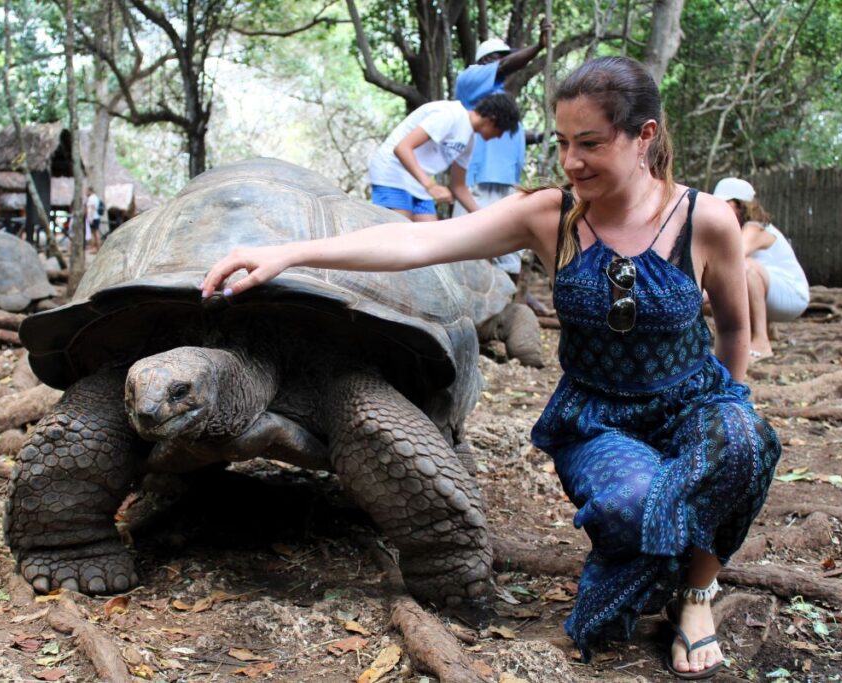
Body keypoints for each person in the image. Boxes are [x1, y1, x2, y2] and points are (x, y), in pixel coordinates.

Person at [202, 56, 780, 679]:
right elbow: (417, 243)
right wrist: (290, 252)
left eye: (589, 143)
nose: (570, 161)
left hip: (693, 398)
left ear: (644, 136)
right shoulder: (549, 215)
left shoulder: (707, 219)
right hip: (599, 417)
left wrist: (729, 411)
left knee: (742, 445)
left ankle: (695, 597)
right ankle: (655, 560)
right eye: (561, 142)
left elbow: (735, 328)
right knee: (631, 506)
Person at [453, 23, 550, 273]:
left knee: (509, 247)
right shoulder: (471, 79)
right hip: (478, 178)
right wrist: (539, 47)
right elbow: (508, 65)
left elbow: (512, 137)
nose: (508, 63)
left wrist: (543, 136)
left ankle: (508, 302)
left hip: (506, 180)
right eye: (502, 58)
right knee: (465, 243)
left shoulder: (500, 96)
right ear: (488, 60)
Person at [367, 93, 521, 222]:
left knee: (429, 241)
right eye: (502, 131)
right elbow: (402, 148)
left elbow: (458, 186)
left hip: (418, 184)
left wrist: (485, 218)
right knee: (398, 233)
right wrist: (430, 186)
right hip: (392, 172)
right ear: (492, 120)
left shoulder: (469, 140)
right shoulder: (450, 115)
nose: (500, 137)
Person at [712, 177, 809, 359]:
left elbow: (732, 261)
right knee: (706, 297)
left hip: (793, 296)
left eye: (725, 204)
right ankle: (767, 330)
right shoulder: (734, 232)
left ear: (741, 206)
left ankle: (761, 342)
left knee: (747, 268)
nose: (719, 209)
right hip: (772, 295)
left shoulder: (755, 229)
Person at [84, 186, 103, 251]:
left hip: (93, 217)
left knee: (94, 233)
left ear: (90, 191)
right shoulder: (95, 197)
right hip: (96, 217)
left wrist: (90, 218)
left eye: (86, 191)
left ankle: (95, 248)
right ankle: (97, 248)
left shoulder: (91, 198)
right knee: (95, 233)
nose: (85, 192)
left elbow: (92, 208)